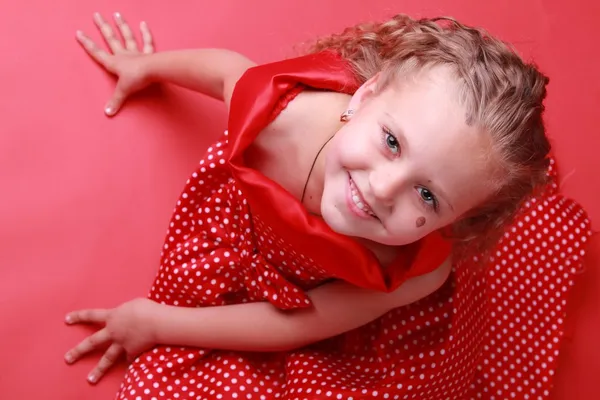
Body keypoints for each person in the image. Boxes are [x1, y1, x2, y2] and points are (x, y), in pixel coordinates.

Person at [63, 12, 584, 400]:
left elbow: (301, 323)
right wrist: (145, 67)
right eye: (391, 143)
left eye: (427, 196)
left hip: (318, 307)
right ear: (365, 97)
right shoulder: (287, 119)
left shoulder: (413, 269)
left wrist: (159, 323)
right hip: (245, 239)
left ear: (457, 221)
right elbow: (226, 72)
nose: (383, 189)